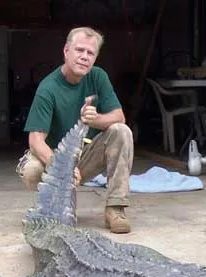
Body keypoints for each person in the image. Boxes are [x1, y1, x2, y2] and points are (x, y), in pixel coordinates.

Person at [17, 26, 134, 234]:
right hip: (55, 158)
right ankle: (50, 206)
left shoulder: (98, 77)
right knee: (31, 170)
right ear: (66, 51)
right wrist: (62, 167)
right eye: (79, 50)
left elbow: (119, 117)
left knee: (122, 131)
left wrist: (96, 119)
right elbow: (35, 140)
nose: (84, 57)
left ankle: (115, 208)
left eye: (90, 53)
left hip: (85, 156)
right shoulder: (48, 88)